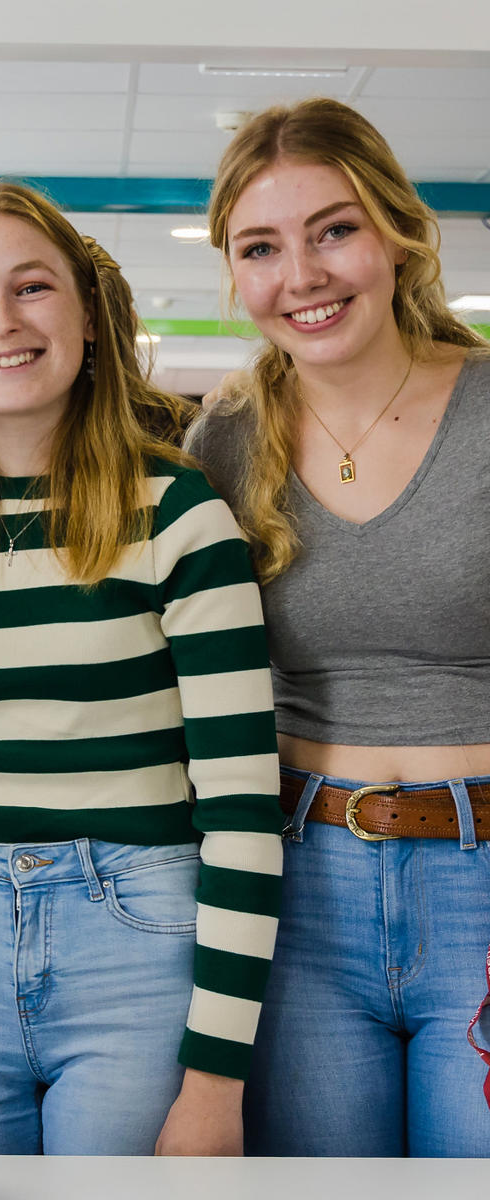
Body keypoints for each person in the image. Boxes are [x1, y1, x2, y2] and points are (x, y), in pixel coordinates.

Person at [0, 180, 283, 1156]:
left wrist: (215, 1079)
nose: (0, 322)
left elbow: (240, 809)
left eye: (31, 288)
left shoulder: (179, 513)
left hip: (135, 935)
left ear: (88, 315)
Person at [185, 97, 490, 1157]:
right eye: (260, 247)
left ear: (397, 233)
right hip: (293, 884)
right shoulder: (222, 438)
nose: (301, 274)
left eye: (333, 229)